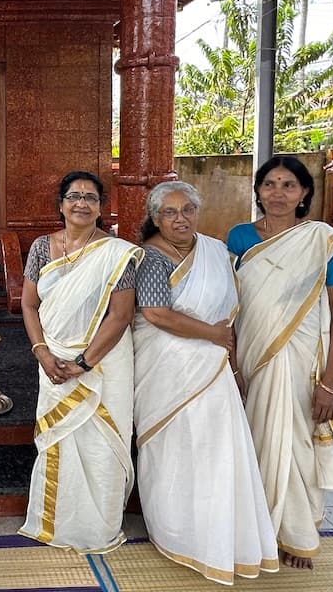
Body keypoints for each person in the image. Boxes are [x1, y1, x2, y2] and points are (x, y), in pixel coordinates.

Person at [228, 156, 333, 570]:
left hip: (301, 363)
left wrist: (328, 384)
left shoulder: (321, 241)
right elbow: (228, 306)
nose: (278, 193)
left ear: (304, 193)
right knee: (252, 442)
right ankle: (255, 531)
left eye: (288, 185)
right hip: (251, 356)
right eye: (270, 184)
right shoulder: (240, 237)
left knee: (296, 443)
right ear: (258, 190)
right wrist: (232, 363)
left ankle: (296, 535)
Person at [133, 181, 278, 584]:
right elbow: (156, 314)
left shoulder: (216, 252)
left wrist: (233, 365)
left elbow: (229, 317)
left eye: (187, 210)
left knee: (218, 452)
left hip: (213, 370)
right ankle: (176, 533)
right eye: (169, 212)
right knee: (174, 450)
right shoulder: (149, 257)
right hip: (166, 371)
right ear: (156, 218)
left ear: (197, 212)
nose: (180, 219)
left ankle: (221, 535)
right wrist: (212, 335)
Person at [18, 171, 141, 553]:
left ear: (102, 207)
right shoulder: (42, 247)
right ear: (61, 204)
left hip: (104, 362)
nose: (81, 203)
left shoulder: (115, 253)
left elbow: (121, 315)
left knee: (102, 444)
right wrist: (42, 352)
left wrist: (84, 363)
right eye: (74, 196)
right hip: (53, 358)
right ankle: (57, 523)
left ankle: (98, 529)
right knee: (62, 439)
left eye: (90, 197)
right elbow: (29, 304)